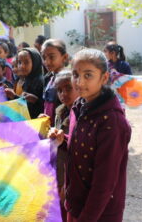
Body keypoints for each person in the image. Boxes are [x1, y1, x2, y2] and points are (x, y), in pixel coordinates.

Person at [49, 48, 131, 222]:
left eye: (88, 75)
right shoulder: (79, 106)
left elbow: (105, 182)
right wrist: (63, 140)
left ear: (104, 78)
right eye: (75, 74)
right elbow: (84, 147)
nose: (79, 82)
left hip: (99, 212)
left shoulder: (112, 123)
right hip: (76, 202)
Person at [52, 69, 80, 220]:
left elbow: (78, 145)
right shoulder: (60, 112)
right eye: (59, 90)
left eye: (68, 88)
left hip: (71, 169)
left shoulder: (81, 114)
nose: (63, 94)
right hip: (60, 165)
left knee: (67, 202)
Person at [5, 48, 44, 118]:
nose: (22, 66)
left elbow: (39, 108)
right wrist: (13, 96)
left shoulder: (40, 82)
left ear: (35, 62)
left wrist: (36, 101)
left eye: (26, 62)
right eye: (19, 62)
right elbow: (25, 106)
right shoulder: (27, 80)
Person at [41, 39, 69, 125]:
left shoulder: (68, 80)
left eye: (51, 57)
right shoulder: (48, 78)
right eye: (44, 57)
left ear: (64, 57)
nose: (47, 62)